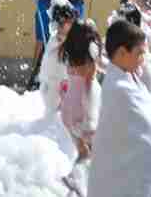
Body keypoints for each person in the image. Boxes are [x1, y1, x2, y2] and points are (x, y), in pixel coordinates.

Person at [89, 19, 151, 197]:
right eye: (139, 53)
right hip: (118, 175)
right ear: (122, 52)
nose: (143, 60)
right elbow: (145, 128)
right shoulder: (118, 89)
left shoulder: (127, 76)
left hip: (127, 171)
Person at [58, 20, 102, 197]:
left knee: (83, 151)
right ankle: (81, 181)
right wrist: (91, 117)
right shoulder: (89, 63)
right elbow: (89, 88)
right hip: (83, 111)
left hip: (67, 111)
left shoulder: (70, 58)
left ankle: (75, 181)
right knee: (95, 152)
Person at [41, 0, 78, 114]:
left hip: (63, 83)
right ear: (60, 23)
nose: (73, 23)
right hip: (55, 85)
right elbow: (49, 67)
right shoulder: (56, 40)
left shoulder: (67, 38)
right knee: (55, 113)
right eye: (69, 21)